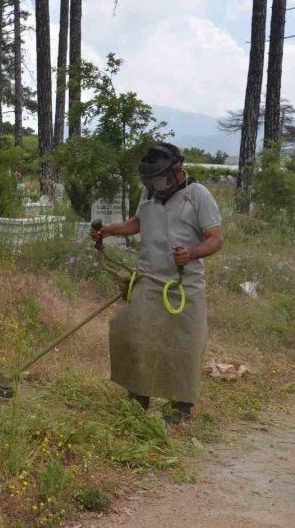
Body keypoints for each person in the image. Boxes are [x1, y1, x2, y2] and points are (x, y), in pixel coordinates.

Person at [90, 142, 223, 423]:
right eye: (149, 180)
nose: (154, 185)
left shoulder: (197, 195)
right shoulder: (150, 193)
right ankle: (138, 396)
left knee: (184, 344)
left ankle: (180, 406)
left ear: (178, 171)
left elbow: (215, 238)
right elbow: (138, 223)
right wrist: (109, 230)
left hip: (184, 284)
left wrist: (191, 253)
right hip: (149, 278)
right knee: (135, 333)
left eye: (159, 179)